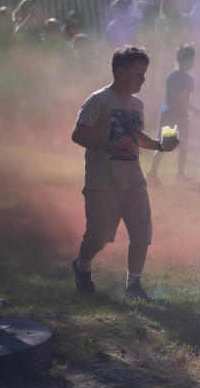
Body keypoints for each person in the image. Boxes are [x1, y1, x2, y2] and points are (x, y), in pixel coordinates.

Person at [70, 45, 179, 300]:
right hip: (102, 182)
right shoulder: (99, 100)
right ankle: (82, 265)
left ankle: (133, 286)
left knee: (141, 231)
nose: (142, 79)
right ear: (120, 72)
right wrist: (109, 145)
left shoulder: (137, 104)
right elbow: (78, 133)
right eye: (138, 74)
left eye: (144, 74)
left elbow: (136, 135)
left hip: (133, 180)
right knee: (98, 237)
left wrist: (161, 146)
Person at [147, 44, 200, 185]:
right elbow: (181, 99)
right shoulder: (187, 79)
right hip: (177, 117)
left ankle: (153, 173)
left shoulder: (171, 75)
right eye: (192, 60)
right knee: (181, 146)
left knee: (165, 146)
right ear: (189, 60)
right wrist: (196, 110)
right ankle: (175, 174)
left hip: (167, 114)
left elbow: (170, 95)